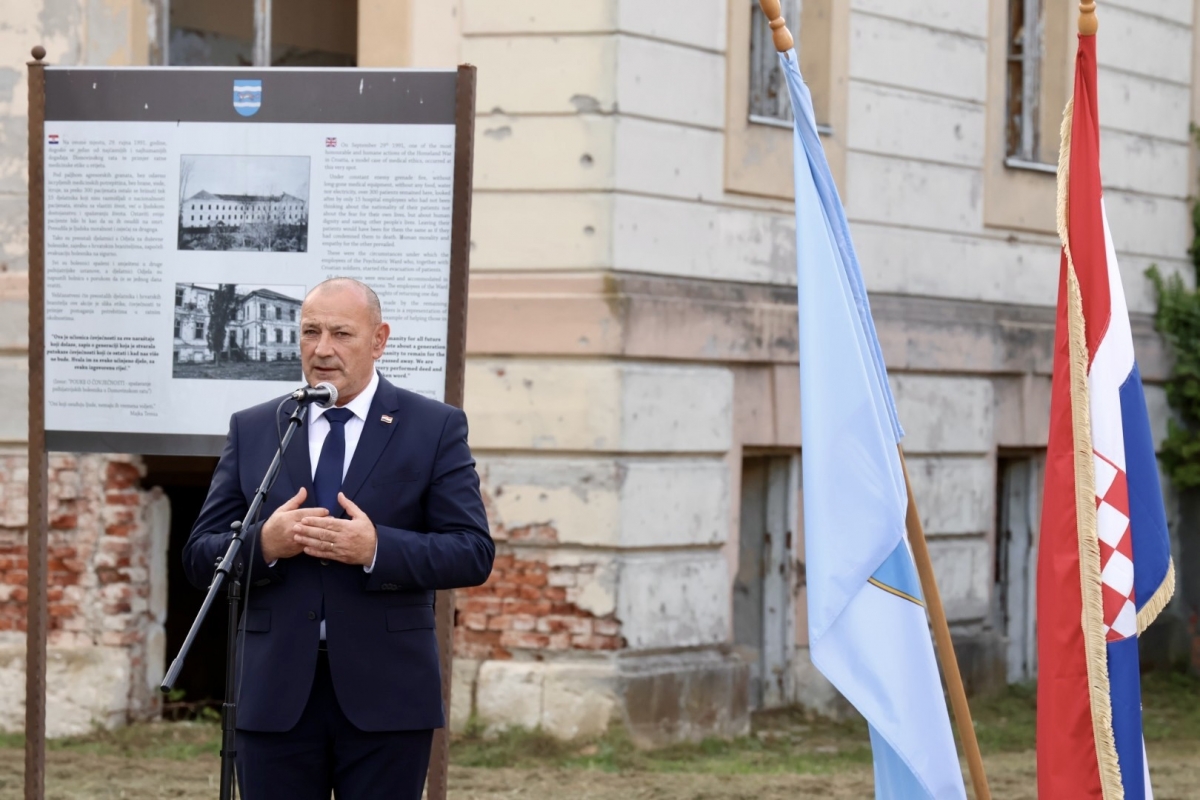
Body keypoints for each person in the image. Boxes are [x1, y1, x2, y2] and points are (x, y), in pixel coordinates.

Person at [183, 277, 493, 799]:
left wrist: (377, 550)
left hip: (387, 693)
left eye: (341, 333)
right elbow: (199, 556)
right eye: (310, 332)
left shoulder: (432, 427)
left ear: (379, 339)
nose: (322, 349)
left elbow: (472, 552)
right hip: (273, 693)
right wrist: (264, 543)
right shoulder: (258, 428)